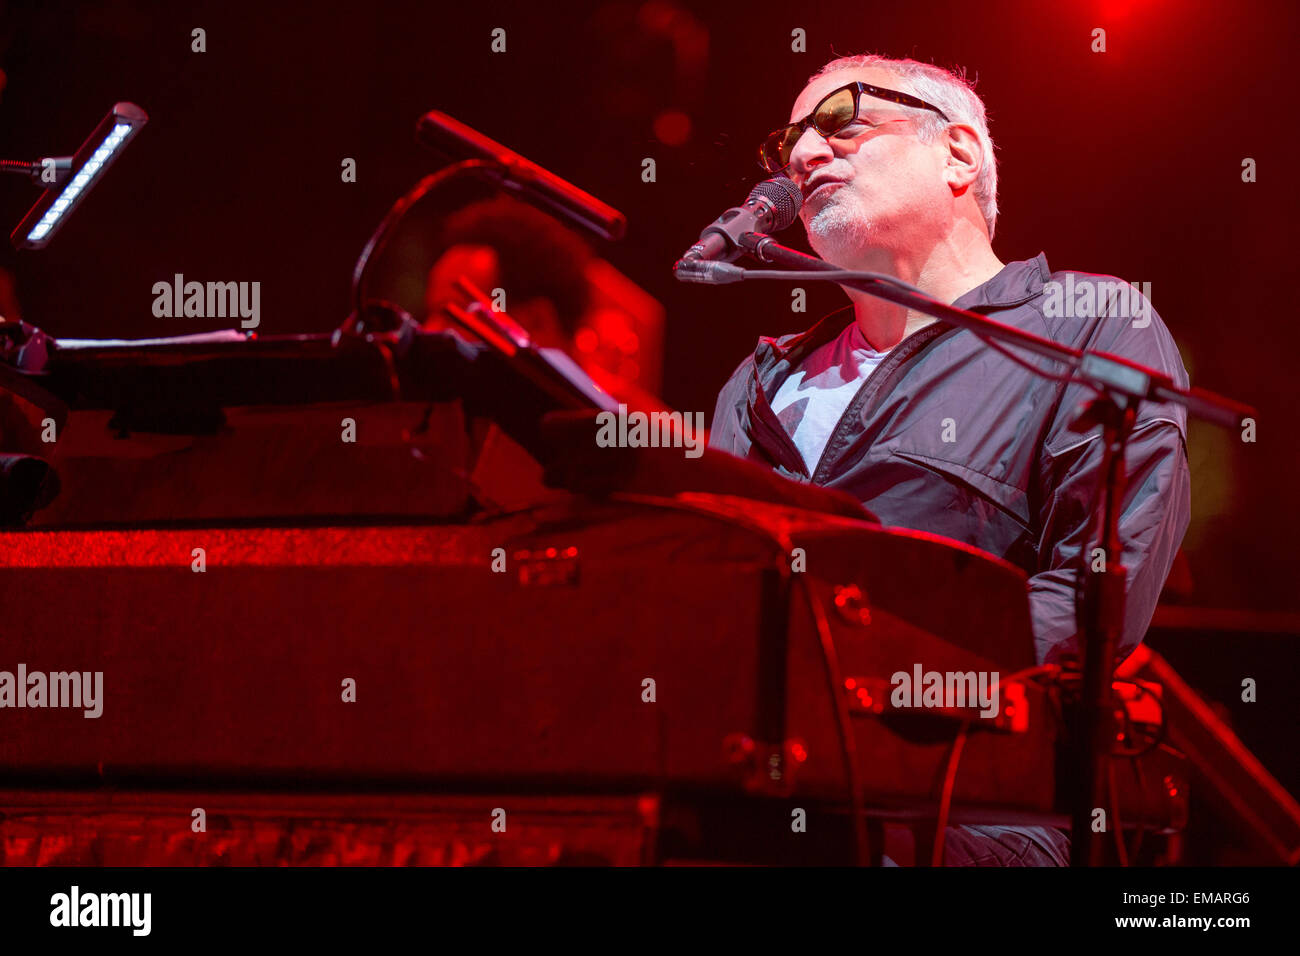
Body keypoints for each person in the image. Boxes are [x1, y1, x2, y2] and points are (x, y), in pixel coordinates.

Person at [708, 54, 1192, 865]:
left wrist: (881, 695)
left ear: (960, 155)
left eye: (842, 123)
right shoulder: (760, 381)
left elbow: (1090, 600)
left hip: (973, 813)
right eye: (788, 143)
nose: (803, 157)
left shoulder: (1090, 327)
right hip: (763, 803)